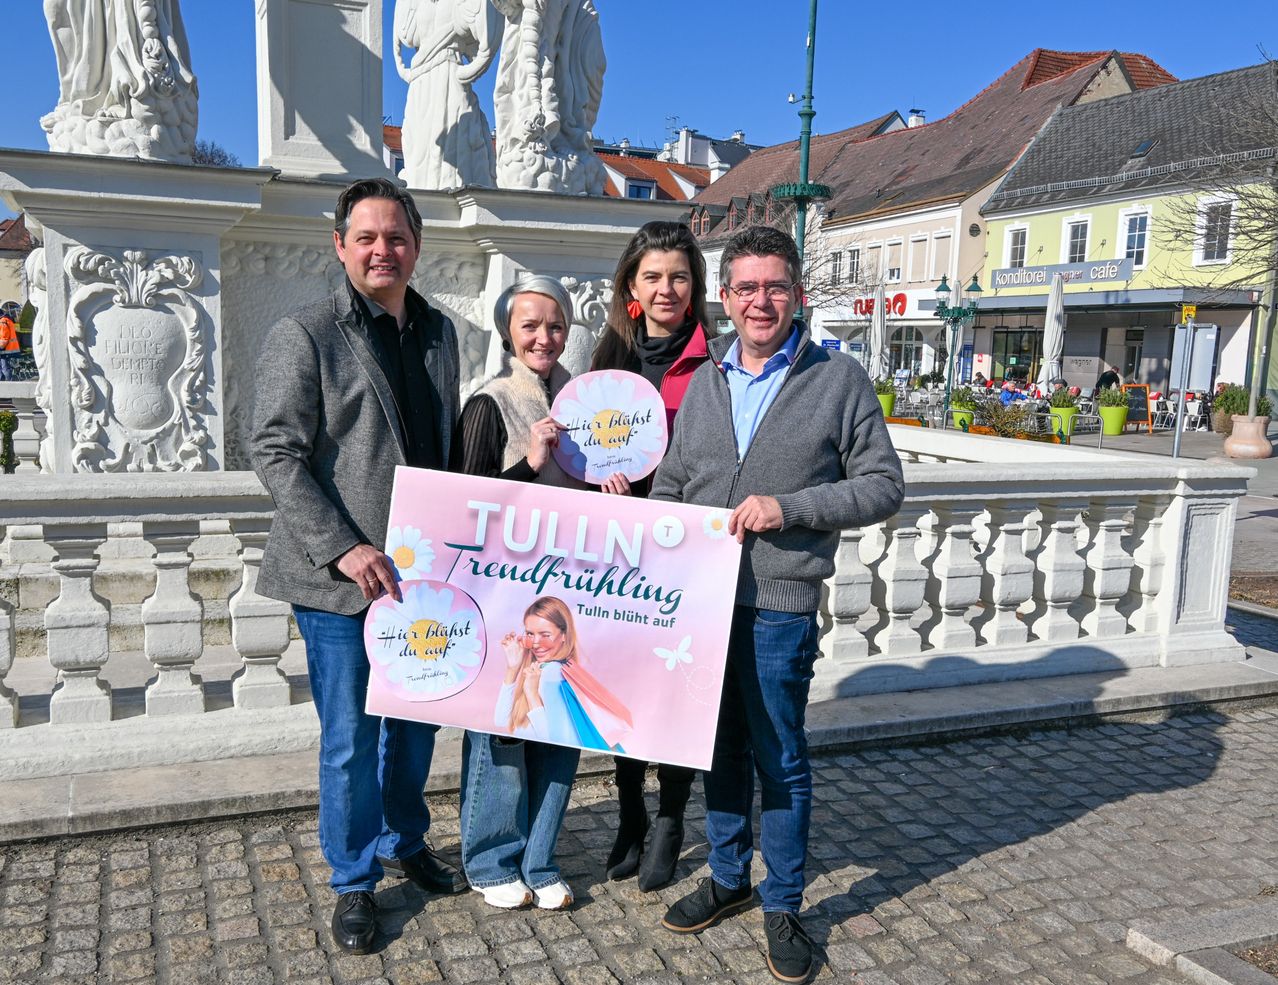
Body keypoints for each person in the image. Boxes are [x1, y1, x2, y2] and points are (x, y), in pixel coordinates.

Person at [649, 225, 904, 983]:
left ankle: (783, 900)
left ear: (797, 293)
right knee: (718, 747)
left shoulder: (838, 378)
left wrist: (788, 506)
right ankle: (729, 877)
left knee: (779, 754)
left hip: (777, 603)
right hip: (698, 602)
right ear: (724, 297)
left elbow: (883, 484)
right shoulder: (706, 382)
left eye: (776, 287)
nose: (762, 301)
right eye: (746, 288)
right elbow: (673, 482)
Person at [251, 178, 466, 955]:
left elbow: (437, 450)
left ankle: (406, 839)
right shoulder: (305, 332)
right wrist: (343, 544)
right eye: (367, 237)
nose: (384, 249)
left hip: (420, 577)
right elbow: (274, 448)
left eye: (397, 236)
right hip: (339, 582)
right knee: (350, 736)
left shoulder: (440, 332)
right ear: (340, 246)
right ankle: (353, 879)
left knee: (413, 728)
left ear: (416, 244)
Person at [457, 276, 631, 912]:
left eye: (554, 326)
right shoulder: (490, 403)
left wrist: (610, 494)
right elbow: (463, 505)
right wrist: (527, 464)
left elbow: (581, 501)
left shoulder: (580, 402)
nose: (544, 337)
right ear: (507, 331)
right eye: (530, 325)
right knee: (504, 722)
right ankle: (490, 857)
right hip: (503, 594)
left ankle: (539, 856)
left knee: (558, 724)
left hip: (568, 591)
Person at [589, 220, 713, 891]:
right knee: (620, 687)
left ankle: (670, 817)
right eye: (653, 277)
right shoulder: (606, 360)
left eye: (679, 276)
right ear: (631, 287)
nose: (667, 288)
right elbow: (584, 453)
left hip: (683, 553)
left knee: (673, 689)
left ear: (694, 287)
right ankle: (629, 810)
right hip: (617, 551)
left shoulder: (714, 364)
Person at [0, 316, 19, 381]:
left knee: (5, 368)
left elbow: (4, 339)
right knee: (5, 367)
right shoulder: (7, 320)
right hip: (9, 349)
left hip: (5, 349)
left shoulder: (3, 321)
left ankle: (7, 385)